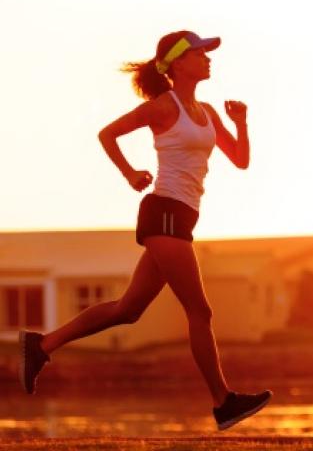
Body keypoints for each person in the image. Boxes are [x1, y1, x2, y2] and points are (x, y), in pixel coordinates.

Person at [18, 30, 272, 431]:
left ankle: (41, 345)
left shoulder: (206, 110)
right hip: (164, 214)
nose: (208, 58)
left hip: (181, 218)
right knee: (200, 310)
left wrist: (241, 124)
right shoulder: (161, 108)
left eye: (207, 53)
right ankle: (224, 402)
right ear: (176, 64)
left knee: (128, 310)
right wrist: (130, 173)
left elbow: (239, 160)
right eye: (199, 53)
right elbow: (108, 134)